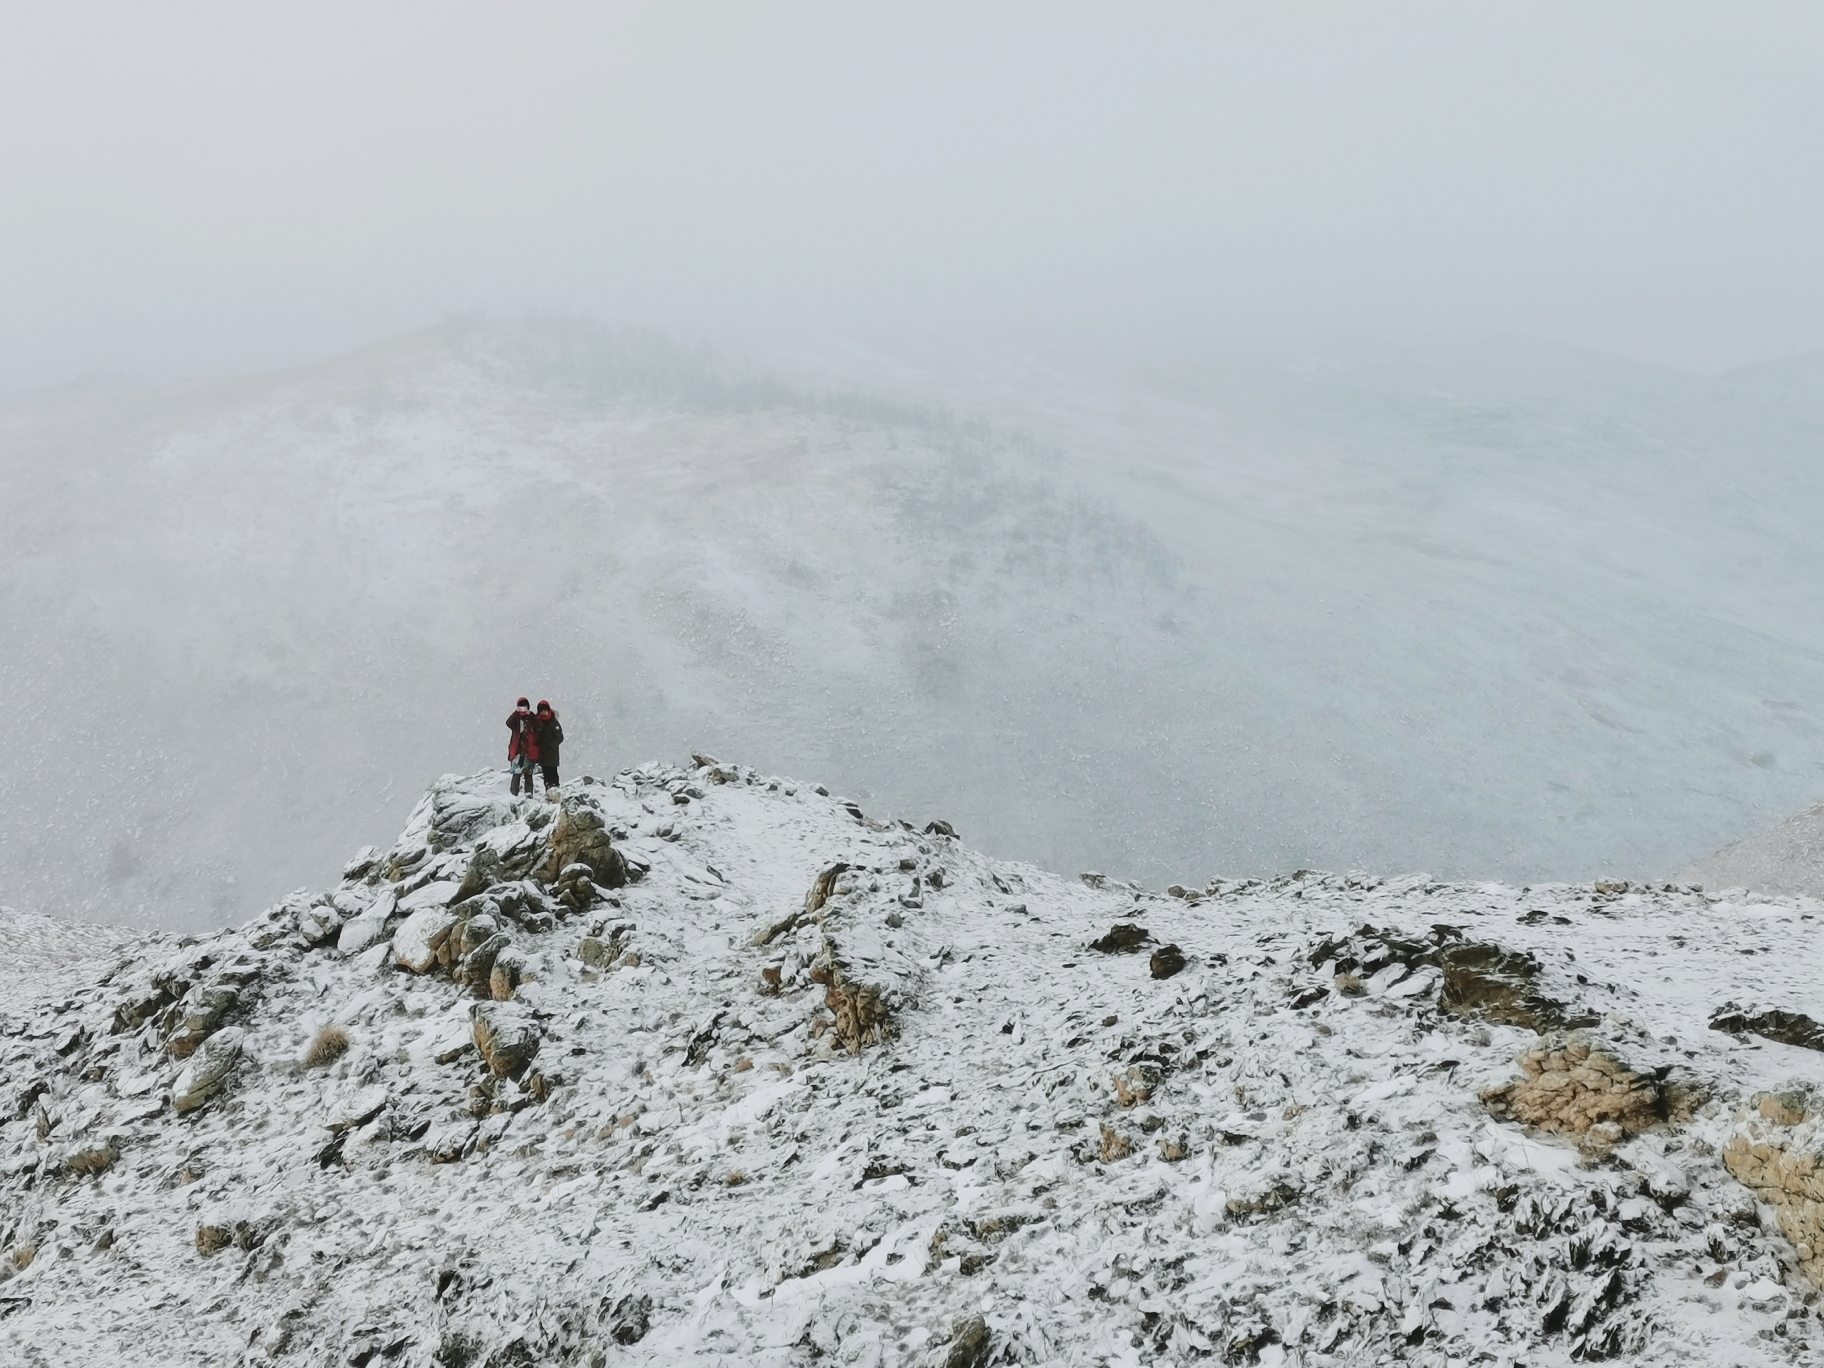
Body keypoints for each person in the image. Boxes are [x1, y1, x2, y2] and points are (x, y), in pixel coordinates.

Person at [505, 697, 541, 796]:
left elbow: (538, 726)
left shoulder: (532, 719)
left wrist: (531, 716)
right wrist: (516, 714)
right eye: (520, 707)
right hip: (518, 751)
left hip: (529, 751)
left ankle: (529, 795)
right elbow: (508, 723)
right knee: (516, 775)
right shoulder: (516, 719)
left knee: (528, 775)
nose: (522, 710)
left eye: (524, 707)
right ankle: (513, 795)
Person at [533, 700, 563, 793]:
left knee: (553, 774)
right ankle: (550, 793)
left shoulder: (553, 723)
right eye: (541, 711)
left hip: (552, 754)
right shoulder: (537, 723)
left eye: (545, 711)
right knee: (546, 775)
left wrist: (550, 746)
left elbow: (560, 738)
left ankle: (555, 791)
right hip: (542, 755)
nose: (543, 713)